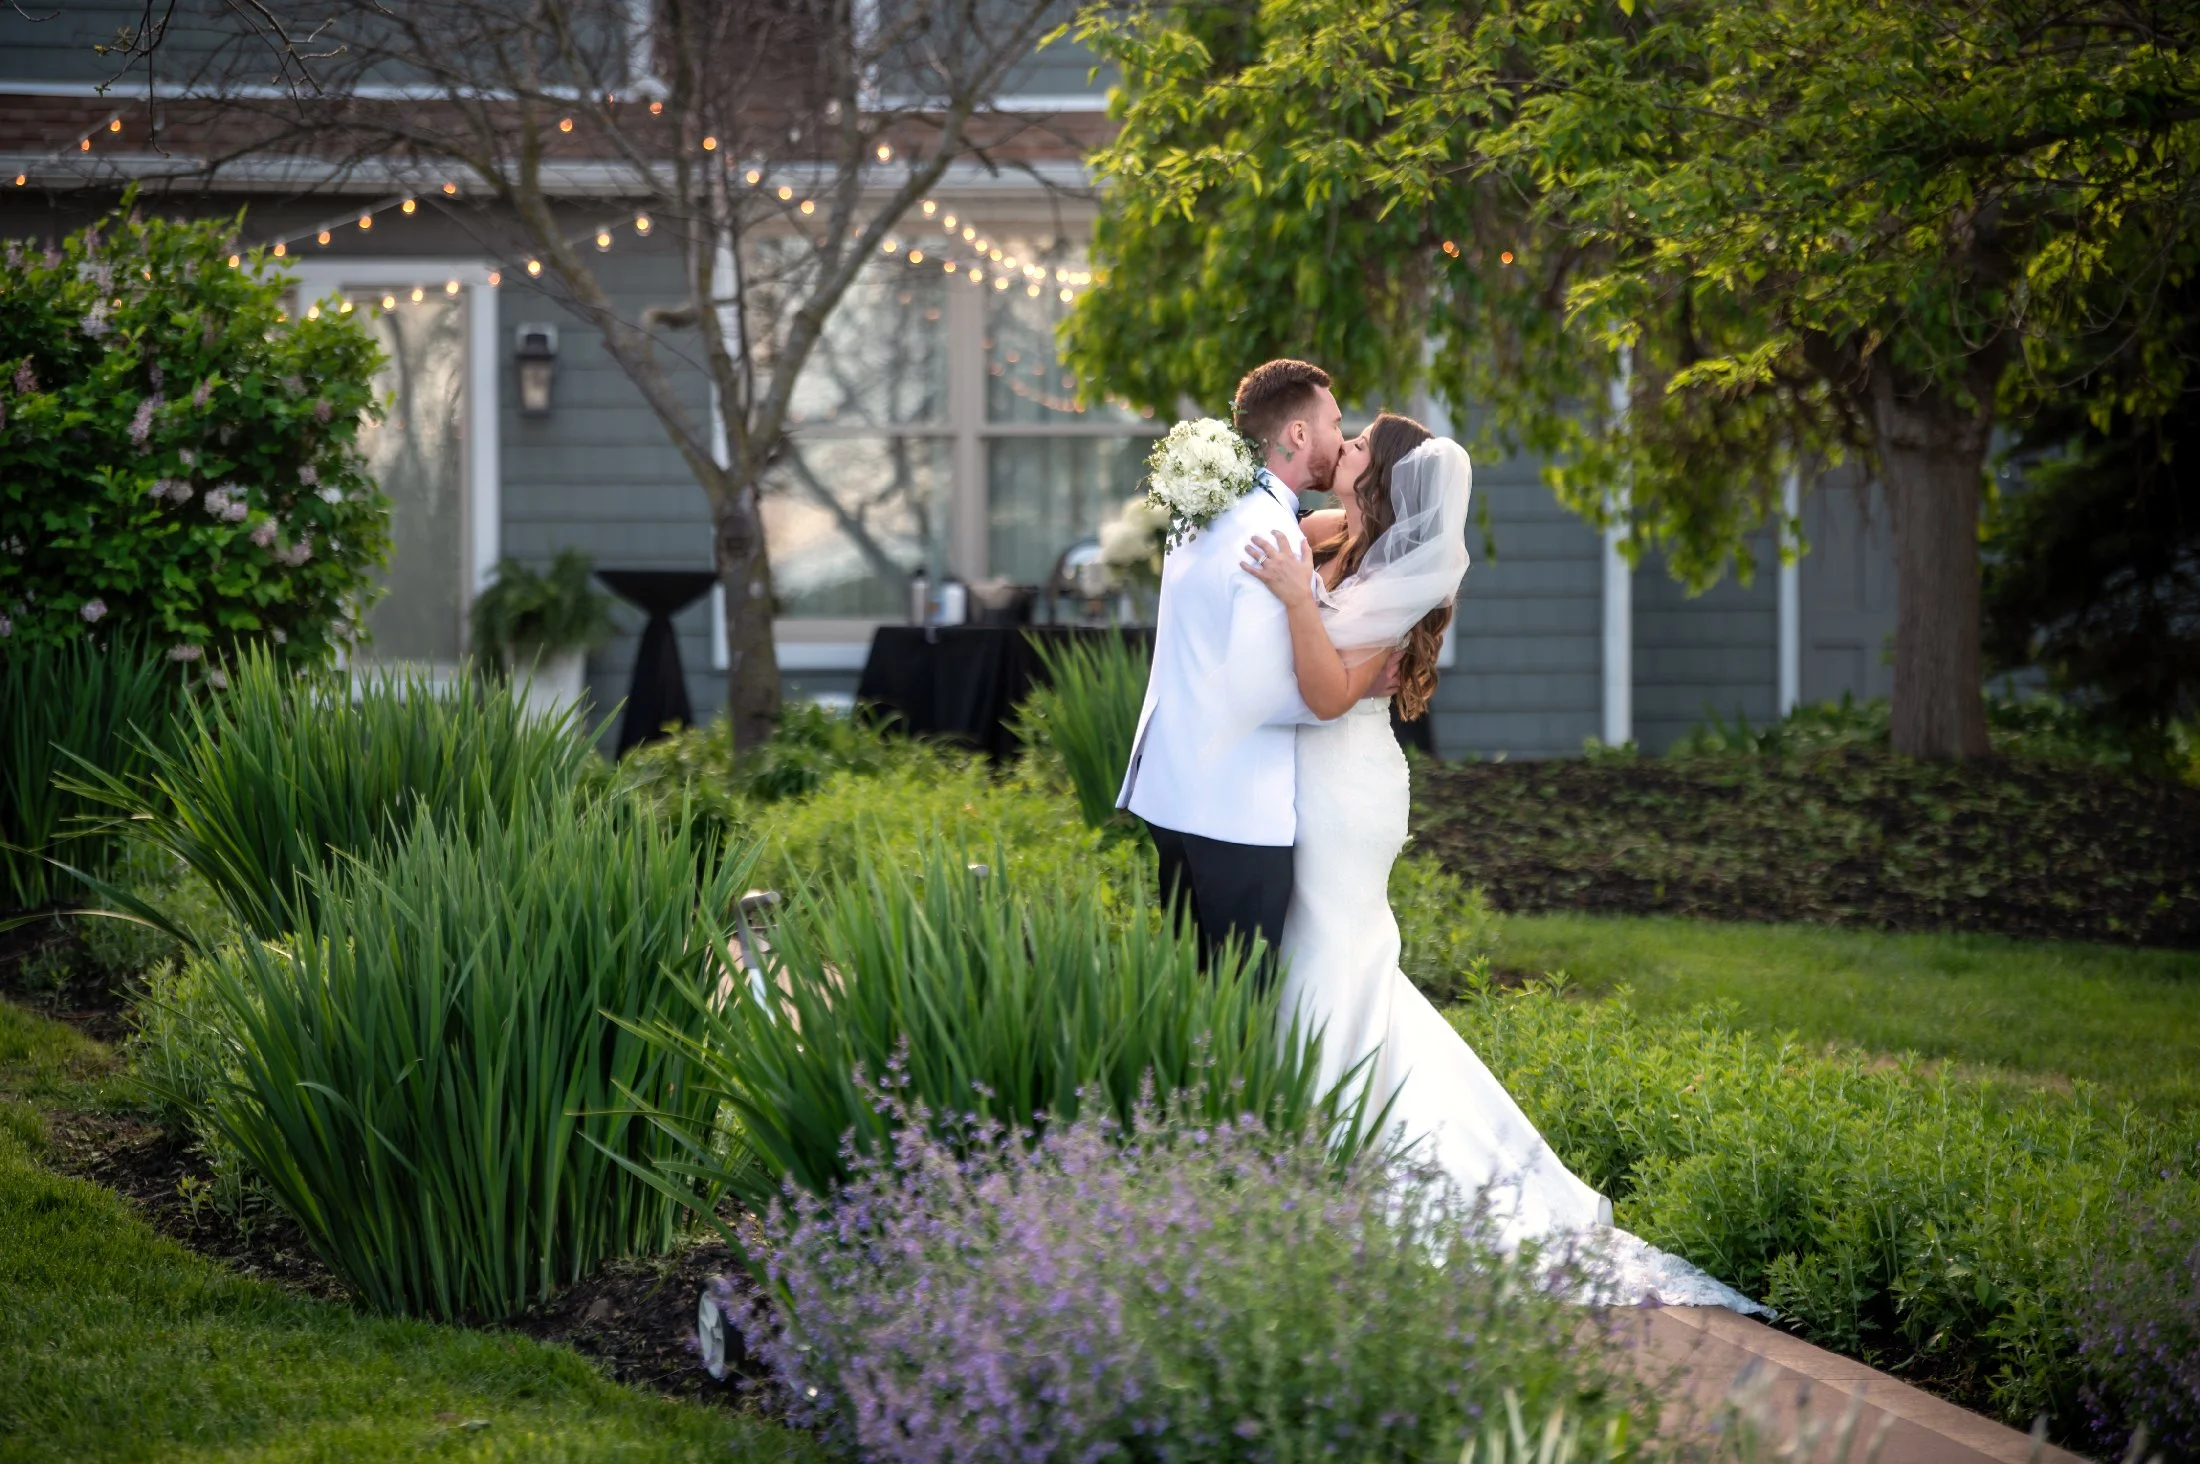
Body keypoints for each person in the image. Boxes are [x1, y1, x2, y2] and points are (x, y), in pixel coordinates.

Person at [1240, 411, 1764, 1310]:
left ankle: (1330, 1164)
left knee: (1331, 953)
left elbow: (1328, 695)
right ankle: (1327, 1145)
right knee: (1342, 964)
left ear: (1384, 479)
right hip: (1315, 784)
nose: (1344, 446)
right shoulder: (1339, 534)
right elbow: (1274, 525)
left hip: (1345, 787)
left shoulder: (1399, 578)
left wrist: (1296, 599)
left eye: (1357, 444)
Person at [1117, 358, 1365, 979]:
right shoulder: (1272, 540)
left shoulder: (1207, 509)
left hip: (1174, 797)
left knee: (1193, 1009)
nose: (1341, 436)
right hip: (1236, 816)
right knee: (1241, 1024)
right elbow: (1271, 694)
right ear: (1300, 434)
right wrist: (1351, 686)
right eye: (1334, 422)